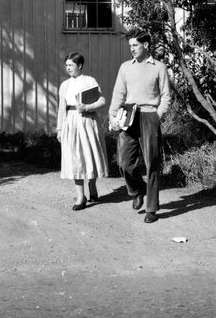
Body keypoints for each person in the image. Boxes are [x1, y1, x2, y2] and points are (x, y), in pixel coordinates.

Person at [109, 30, 171, 224]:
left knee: (152, 163)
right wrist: (112, 116)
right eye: (130, 46)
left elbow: (166, 96)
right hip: (129, 116)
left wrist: (157, 116)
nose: (132, 49)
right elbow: (118, 94)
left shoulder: (159, 67)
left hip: (149, 116)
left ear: (146, 45)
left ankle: (151, 209)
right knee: (124, 162)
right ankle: (137, 190)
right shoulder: (125, 67)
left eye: (135, 45)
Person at [56, 52, 109, 210]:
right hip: (71, 123)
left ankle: (92, 184)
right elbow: (61, 108)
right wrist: (59, 128)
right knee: (75, 158)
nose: (68, 68)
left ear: (79, 65)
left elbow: (102, 101)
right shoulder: (65, 85)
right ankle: (81, 196)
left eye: (71, 65)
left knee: (90, 155)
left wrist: (88, 107)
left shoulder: (89, 81)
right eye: (66, 65)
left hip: (87, 121)